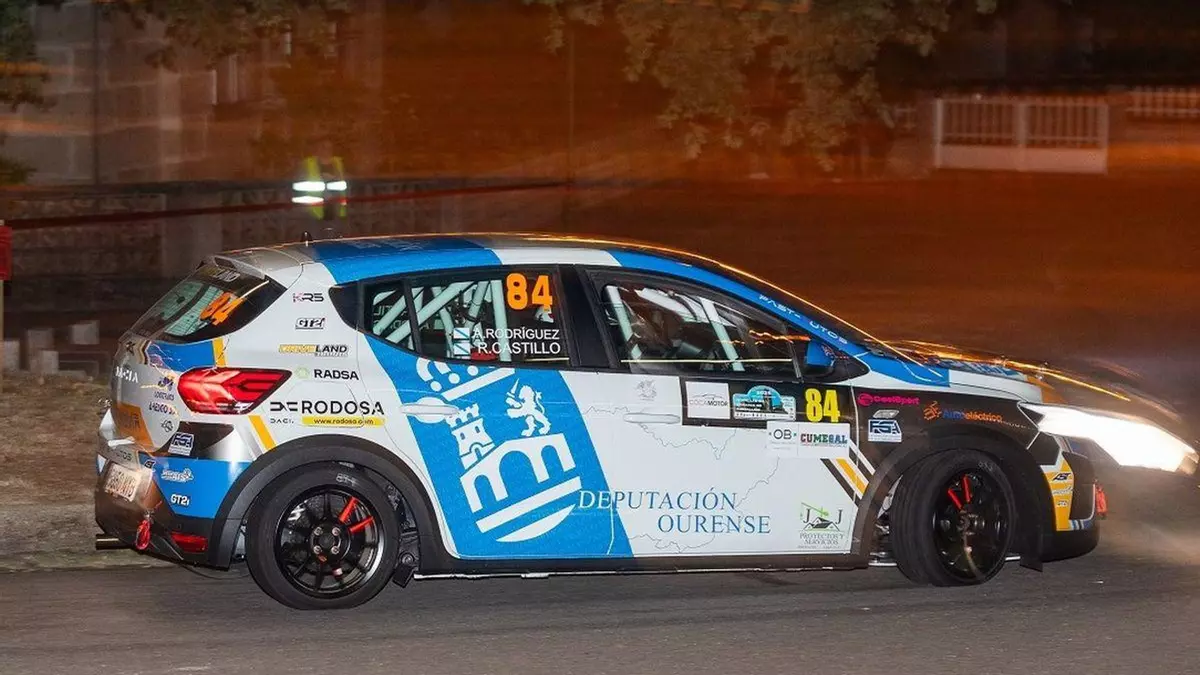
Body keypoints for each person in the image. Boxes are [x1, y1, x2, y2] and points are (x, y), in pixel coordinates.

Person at [291, 139, 348, 220]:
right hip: (313, 212)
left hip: (336, 209)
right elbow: (298, 186)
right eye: (324, 147)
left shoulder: (338, 163)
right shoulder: (307, 164)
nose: (327, 150)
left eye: (330, 148)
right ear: (317, 149)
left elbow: (345, 184)